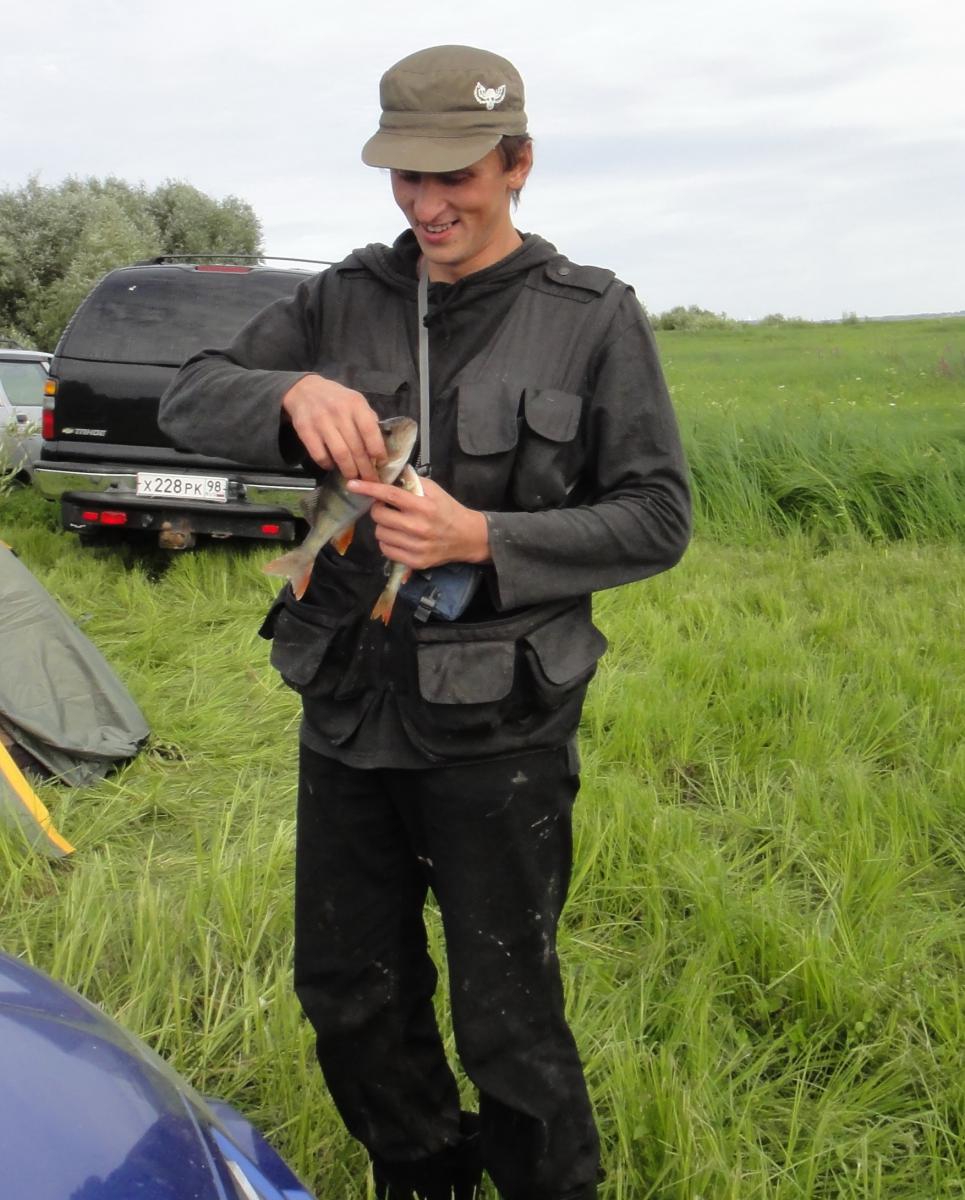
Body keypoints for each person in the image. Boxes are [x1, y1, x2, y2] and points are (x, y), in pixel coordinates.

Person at [159, 43, 690, 1200]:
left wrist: (482, 538)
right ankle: (420, 1177)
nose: (428, 203)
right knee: (349, 994)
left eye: (456, 176)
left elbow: (656, 518)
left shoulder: (591, 318)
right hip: (347, 706)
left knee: (508, 1014)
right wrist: (284, 390)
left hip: (499, 728)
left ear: (517, 164)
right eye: (407, 176)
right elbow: (188, 392)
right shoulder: (341, 296)